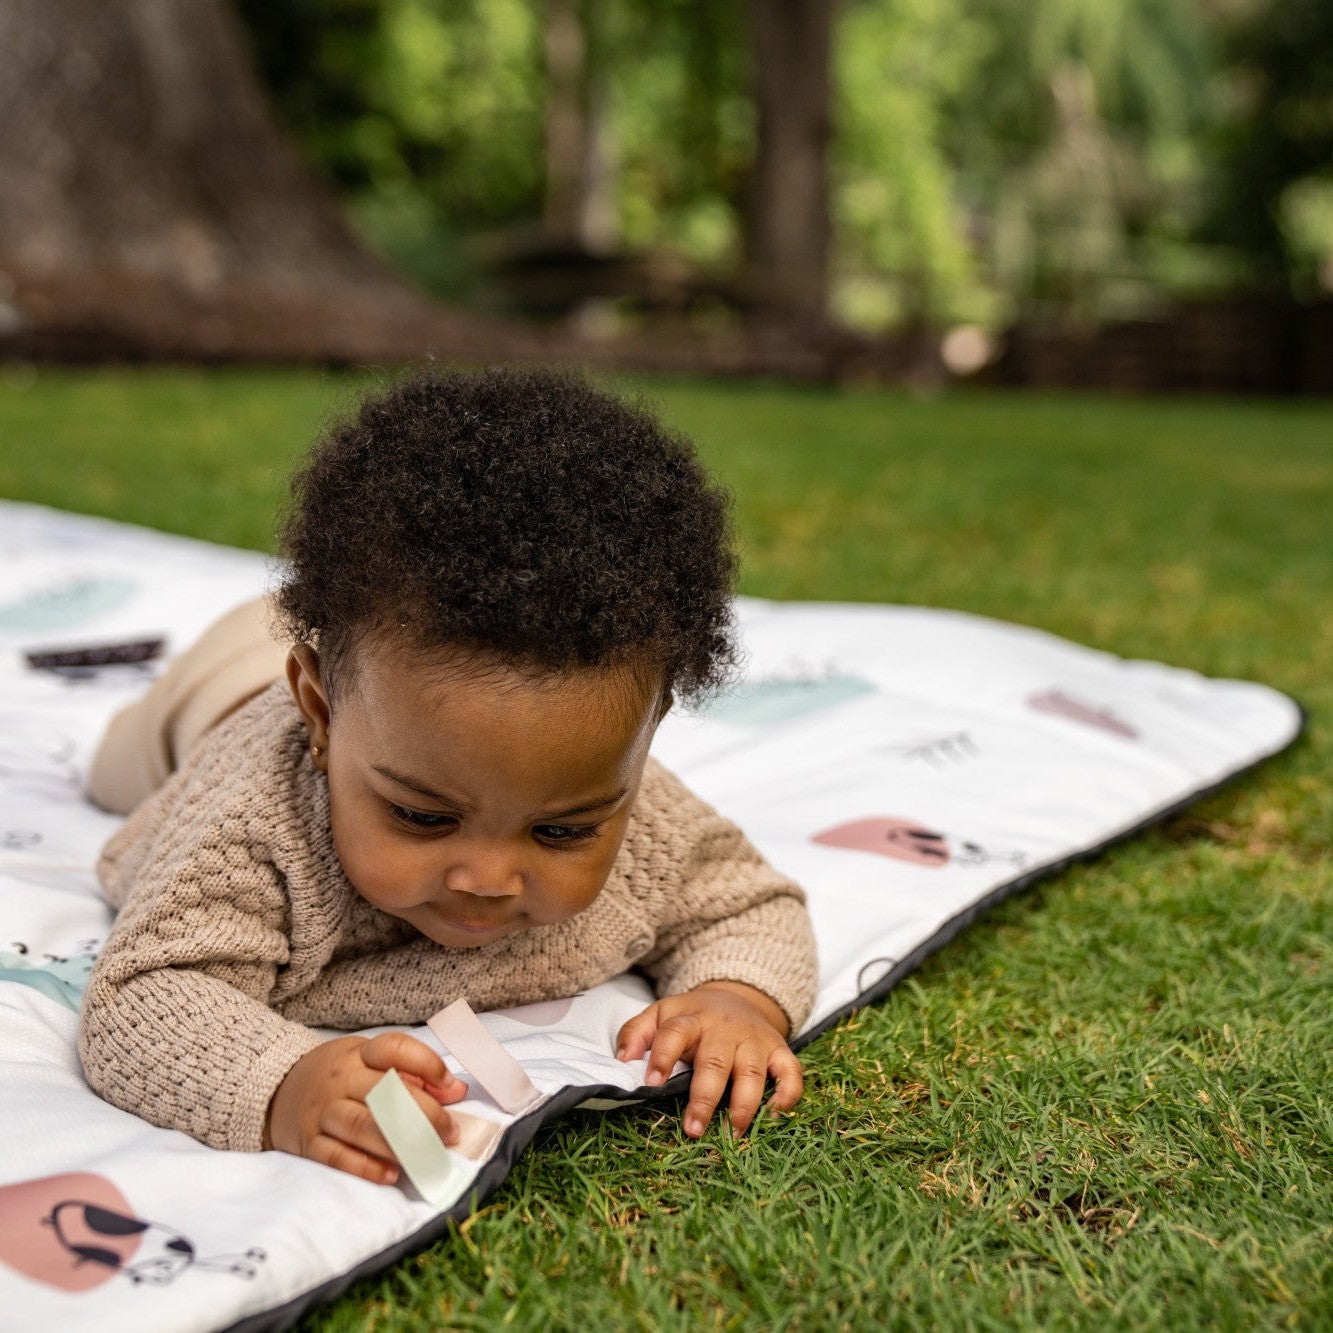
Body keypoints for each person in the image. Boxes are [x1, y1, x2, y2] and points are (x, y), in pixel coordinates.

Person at [79, 368, 818, 1188]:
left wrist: (736, 999)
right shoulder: (252, 825)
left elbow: (748, 902)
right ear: (320, 714)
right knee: (113, 767)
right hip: (219, 690)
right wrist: (284, 1083)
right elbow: (142, 998)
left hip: (367, 690)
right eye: (422, 816)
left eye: (561, 829)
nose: (487, 879)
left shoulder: (630, 807)